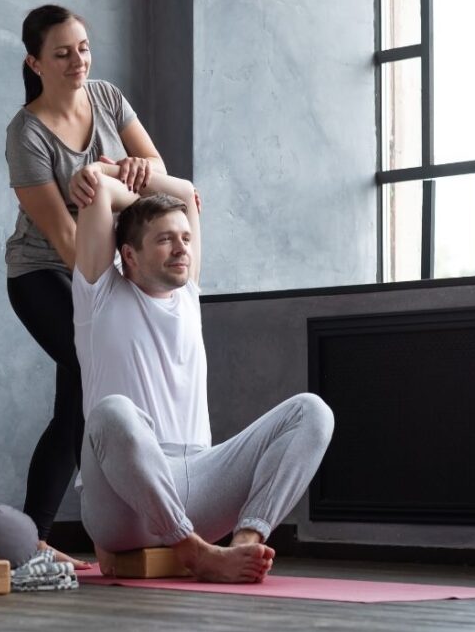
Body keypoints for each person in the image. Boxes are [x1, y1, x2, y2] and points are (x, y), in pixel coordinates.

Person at [69, 163, 335, 583]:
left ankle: (245, 541)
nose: (181, 248)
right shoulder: (99, 294)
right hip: (123, 502)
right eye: (165, 240)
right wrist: (107, 171)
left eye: (185, 239)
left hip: (198, 481)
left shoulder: (188, 295)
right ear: (129, 255)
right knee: (112, 412)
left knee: (312, 412)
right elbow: (98, 190)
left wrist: (127, 172)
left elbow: (186, 192)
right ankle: (194, 552)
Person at [4, 4, 167, 564]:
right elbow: (67, 241)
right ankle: (58, 534)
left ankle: (36, 538)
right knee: (84, 377)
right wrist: (122, 285)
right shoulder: (26, 135)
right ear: (35, 62)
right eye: (62, 52)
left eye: (84, 48)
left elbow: (158, 179)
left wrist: (111, 171)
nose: (78, 60)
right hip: (44, 273)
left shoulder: (107, 97)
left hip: (107, 265)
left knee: (77, 400)